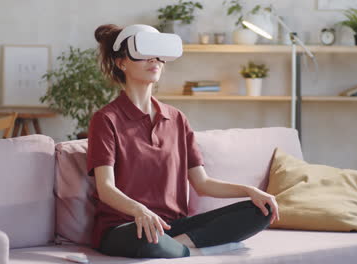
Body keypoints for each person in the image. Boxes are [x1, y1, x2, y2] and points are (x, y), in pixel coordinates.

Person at [86, 23, 280, 259]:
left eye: (159, 55)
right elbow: (106, 189)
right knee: (149, 240)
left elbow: (203, 183)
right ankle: (190, 248)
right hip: (125, 228)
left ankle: (177, 246)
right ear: (121, 62)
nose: (154, 61)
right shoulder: (106, 119)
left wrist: (251, 191)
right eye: (145, 54)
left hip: (172, 226)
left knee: (263, 210)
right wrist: (140, 210)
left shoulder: (176, 119)